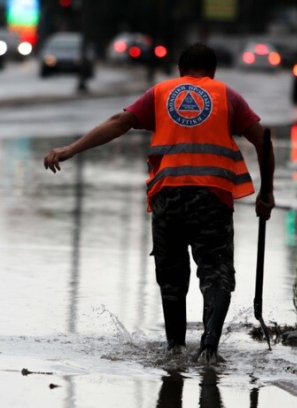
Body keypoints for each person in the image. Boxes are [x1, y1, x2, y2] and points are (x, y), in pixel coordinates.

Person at [42, 43, 275, 362]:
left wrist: (71, 149)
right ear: (213, 72)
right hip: (213, 196)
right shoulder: (226, 95)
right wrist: (266, 193)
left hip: (168, 196)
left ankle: (175, 348)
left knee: (171, 275)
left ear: (180, 71)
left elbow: (118, 122)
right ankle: (209, 346)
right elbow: (263, 139)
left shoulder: (161, 92)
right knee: (216, 270)